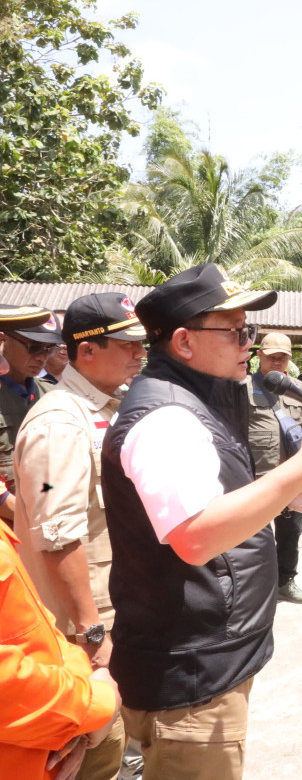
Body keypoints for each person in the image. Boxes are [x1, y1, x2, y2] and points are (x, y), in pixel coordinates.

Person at [101, 263, 302, 780]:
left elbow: (209, 496)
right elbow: (197, 536)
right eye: (236, 331)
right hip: (190, 677)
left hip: (209, 659)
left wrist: (290, 494)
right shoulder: (166, 418)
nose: (247, 343)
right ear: (184, 342)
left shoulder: (197, 401)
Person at [6, 299, 132, 780]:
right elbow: (56, 534)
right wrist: (91, 633)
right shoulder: (59, 424)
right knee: (90, 752)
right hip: (77, 634)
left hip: (103, 615)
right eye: (127, 345)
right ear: (87, 351)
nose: (139, 355)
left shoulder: (101, 409)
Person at [2, 513, 121, 780]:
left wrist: (81, 716)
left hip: (56, 723)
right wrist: (94, 704)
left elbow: (34, 628)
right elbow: (56, 530)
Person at [246, 333, 302, 605]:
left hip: (291, 477)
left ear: (289, 360)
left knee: (290, 532)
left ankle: (285, 581)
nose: (276, 360)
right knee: (255, 536)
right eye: (271, 355)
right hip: (256, 476)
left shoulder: (299, 387)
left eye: (282, 357)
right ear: (258, 355)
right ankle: (257, 588)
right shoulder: (242, 387)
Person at [0, 312, 60, 524]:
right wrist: (33, 518)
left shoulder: (54, 395)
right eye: (34, 347)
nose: (42, 357)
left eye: (49, 349)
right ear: (3, 340)